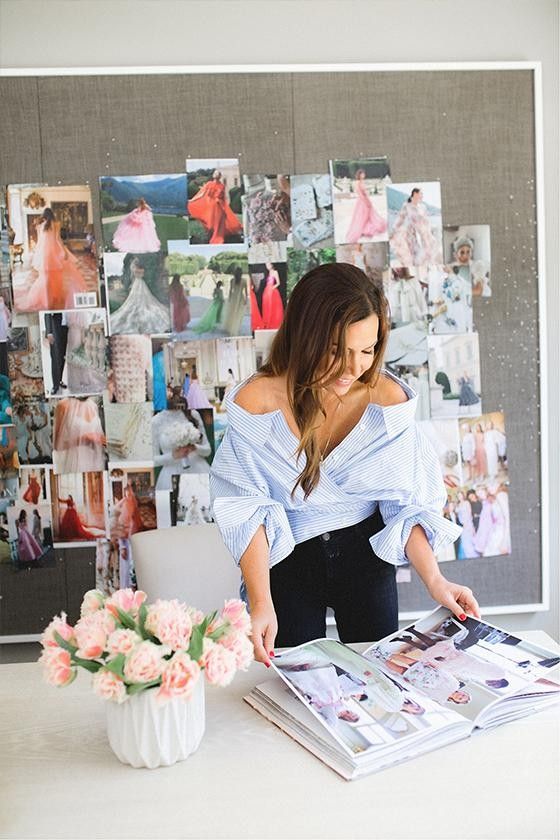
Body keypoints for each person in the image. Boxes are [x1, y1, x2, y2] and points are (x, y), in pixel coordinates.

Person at [210, 263, 480, 665]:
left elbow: (404, 506)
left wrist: (435, 579)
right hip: (289, 560)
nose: (354, 369)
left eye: (367, 351)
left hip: (366, 558)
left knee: (381, 680)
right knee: (293, 684)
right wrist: (261, 602)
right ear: (305, 336)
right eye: (337, 351)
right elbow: (248, 510)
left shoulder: (386, 401)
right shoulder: (258, 402)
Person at [20, 208, 88, 311]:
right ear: (52, 215)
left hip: (43, 254)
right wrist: (64, 251)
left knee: (45, 277)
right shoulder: (56, 224)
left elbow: (40, 242)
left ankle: (46, 299)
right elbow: (58, 240)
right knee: (55, 276)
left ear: (44, 215)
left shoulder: (40, 226)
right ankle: (51, 298)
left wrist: (36, 254)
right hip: (53, 253)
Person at [152, 392, 211, 490]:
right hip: (170, 475)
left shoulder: (193, 414)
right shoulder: (156, 421)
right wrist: (173, 456)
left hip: (198, 469)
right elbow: (154, 460)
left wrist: (194, 447)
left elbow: (207, 450)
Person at [110, 257, 171, 335]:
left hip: (140, 282)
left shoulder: (137, 270)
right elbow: (138, 275)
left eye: (135, 263)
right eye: (135, 263)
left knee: (143, 296)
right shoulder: (137, 270)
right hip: (138, 282)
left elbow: (138, 275)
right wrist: (138, 274)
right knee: (135, 297)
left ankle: (140, 305)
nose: (135, 265)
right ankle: (138, 306)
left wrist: (137, 273)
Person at [52, 397, 106, 474]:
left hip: (96, 462)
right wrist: (84, 438)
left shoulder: (93, 405)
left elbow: (100, 439)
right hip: (75, 464)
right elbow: (57, 446)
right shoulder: (63, 405)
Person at [390, 188, 442, 266]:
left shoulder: (423, 207)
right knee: (414, 254)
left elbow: (426, 221)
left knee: (427, 253)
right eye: (421, 194)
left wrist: (429, 231)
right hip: (412, 233)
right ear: (415, 194)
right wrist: (394, 229)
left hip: (424, 232)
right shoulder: (407, 206)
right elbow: (401, 218)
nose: (422, 196)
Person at [187, 170, 243, 244]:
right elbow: (202, 194)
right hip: (210, 207)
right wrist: (192, 200)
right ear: (213, 175)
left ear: (220, 176)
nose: (217, 174)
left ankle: (218, 237)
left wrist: (224, 208)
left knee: (218, 223)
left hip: (219, 206)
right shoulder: (209, 184)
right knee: (211, 224)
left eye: (218, 174)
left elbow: (223, 198)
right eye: (215, 173)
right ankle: (211, 235)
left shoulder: (222, 186)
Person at [345, 169, 387, 244]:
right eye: (362, 174)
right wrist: (366, 202)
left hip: (365, 200)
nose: (363, 175)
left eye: (364, 174)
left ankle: (365, 229)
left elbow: (364, 193)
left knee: (368, 216)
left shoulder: (361, 182)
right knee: (363, 217)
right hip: (362, 201)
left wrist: (368, 200)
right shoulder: (358, 183)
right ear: (359, 175)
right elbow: (360, 194)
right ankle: (363, 230)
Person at [222, 266, 248, 336]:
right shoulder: (244, 281)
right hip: (240, 298)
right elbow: (246, 292)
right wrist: (246, 300)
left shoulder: (232, 280)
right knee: (238, 313)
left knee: (232, 312)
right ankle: (236, 327)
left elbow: (231, 290)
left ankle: (230, 326)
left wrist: (229, 298)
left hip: (234, 297)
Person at [261, 263, 284, 329]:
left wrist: (272, 288)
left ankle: (274, 322)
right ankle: (268, 321)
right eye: (266, 265)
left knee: (273, 306)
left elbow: (278, 283)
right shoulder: (268, 273)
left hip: (272, 290)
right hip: (267, 290)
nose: (267, 266)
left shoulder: (275, 272)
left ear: (271, 265)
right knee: (267, 306)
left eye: (268, 265)